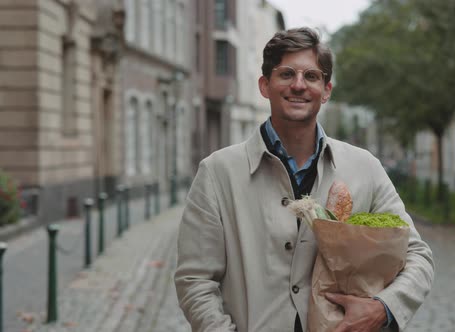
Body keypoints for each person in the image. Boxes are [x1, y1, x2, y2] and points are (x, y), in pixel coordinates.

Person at [175, 27, 434, 332]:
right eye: (286, 74)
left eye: (311, 76)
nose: (299, 85)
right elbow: (195, 280)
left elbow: (417, 256)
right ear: (264, 85)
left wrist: (382, 309)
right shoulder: (218, 172)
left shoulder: (365, 167)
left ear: (326, 90)